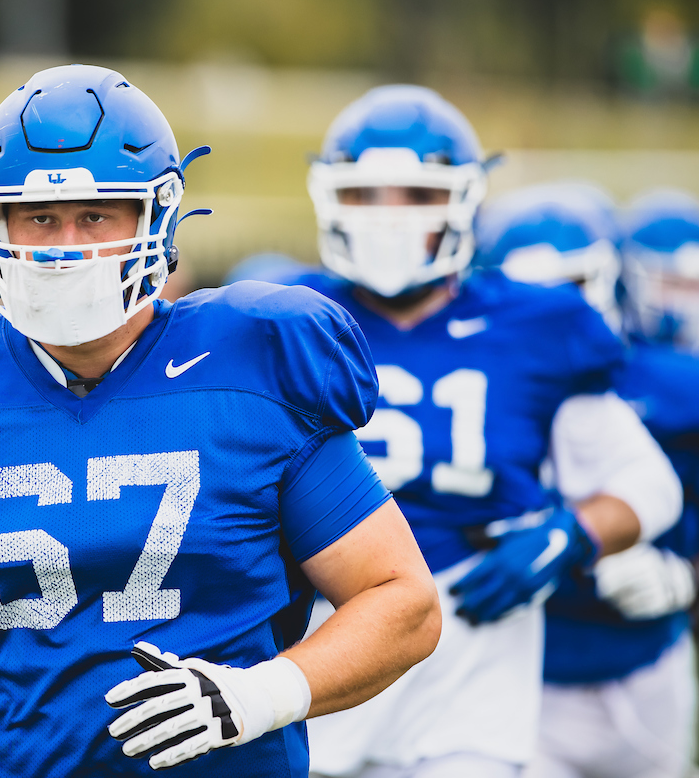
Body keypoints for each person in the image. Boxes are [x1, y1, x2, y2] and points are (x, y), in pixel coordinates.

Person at [0, 64, 441, 778]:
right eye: (39, 217)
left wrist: (257, 696)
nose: (65, 244)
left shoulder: (254, 364)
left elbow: (400, 600)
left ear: (156, 218)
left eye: (96, 214)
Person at [276, 86, 680, 778]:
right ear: (331, 198)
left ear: (462, 201)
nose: (389, 218)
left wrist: (568, 533)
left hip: (471, 665)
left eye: (415, 195)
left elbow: (649, 485)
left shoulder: (538, 325)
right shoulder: (284, 321)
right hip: (322, 637)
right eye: (368, 195)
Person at [476, 185, 699, 777]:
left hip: (646, 664)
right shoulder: (464, 391)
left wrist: (684, 576)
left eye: (574, 283)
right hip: (522, 677)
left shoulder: (670, 385)